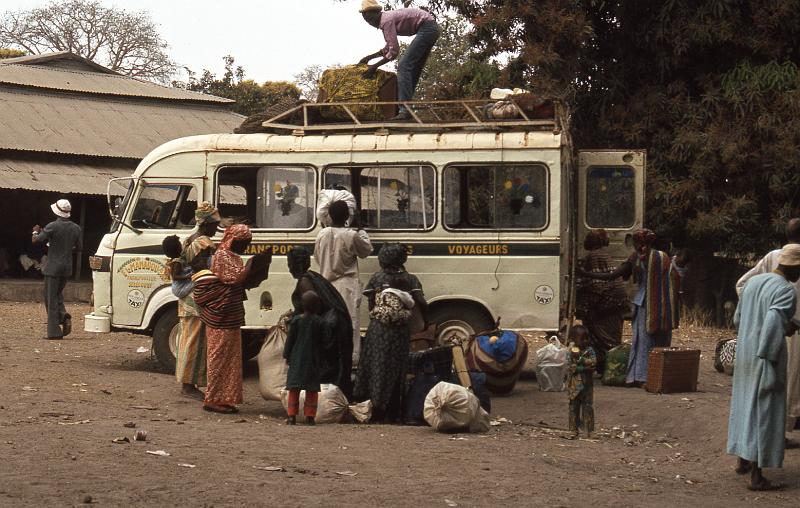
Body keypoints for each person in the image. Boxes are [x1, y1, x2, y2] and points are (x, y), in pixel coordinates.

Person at [727, 243, 800, 491]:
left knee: (745, 405)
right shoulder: (787, 291)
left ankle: (742, 459)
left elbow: (738, 319)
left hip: (746, 354)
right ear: (794, 267)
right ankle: (757, 477)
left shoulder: (753, 283)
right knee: (764, 412)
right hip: (765, 357)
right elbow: (772, 325)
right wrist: (785, 331)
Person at [579, 229, 688, 386]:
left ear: (639, 242)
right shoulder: (661, 257)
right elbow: (674, 278)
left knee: (642, 341)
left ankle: (639, 376)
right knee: (657, 341)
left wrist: (585, 274)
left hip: (642, 303)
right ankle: (655, 375)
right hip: (661, 306)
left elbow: (614, 275)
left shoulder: (636, 258)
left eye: (636, 242)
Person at [193, 224, 271, 413]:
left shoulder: (232, 256)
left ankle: (224, 397)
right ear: (233, 240)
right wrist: (252, 265)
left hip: (230, 315)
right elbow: (233, 279)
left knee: (230, 359)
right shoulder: (223, 256)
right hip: (221, 316)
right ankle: (213, 399)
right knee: (219, 358)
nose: (245, 248)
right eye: (243, 243)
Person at [736, 218, 800, 438]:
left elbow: (742, 286)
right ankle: (764, 448)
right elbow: (773, 318)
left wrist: (752, 319)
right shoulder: (778, 261)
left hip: (760, 337)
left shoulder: (771, 259)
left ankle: (759, 445)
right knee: (773, 389)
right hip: (777, 337)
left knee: (766, 392)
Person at [355, 243, 427, 423]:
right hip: (399, 331)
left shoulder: (377, 278)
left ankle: (375, 410)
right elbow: (421, 302)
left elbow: (371, 304)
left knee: (377, 367)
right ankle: (394, 412)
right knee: (397, 369)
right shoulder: (410, 279)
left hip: (378, 329)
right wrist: (427, 320)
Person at [287, 247, 354, 399]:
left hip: (328, 328)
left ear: (295, 264)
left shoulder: (304, 281)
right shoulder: (314, 277)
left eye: (289, 263)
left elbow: (313, 308)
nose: (288, 267)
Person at [358, 0, 440, 120]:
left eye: (370, 18)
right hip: (430, 29)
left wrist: (374, 67)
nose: (369, 22)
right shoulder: (385, 21)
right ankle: (407, 110)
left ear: (376, 13)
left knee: (403, 66)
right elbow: (389, 47)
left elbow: (394, 51)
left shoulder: (386, 20)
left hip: (427, 28)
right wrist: (370, 57)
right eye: (366, 20)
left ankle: (404, 110)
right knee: (412, 70)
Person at [314, 200, 372, 366]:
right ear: (348, 216)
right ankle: (350, 362)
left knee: (329, 324)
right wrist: (361, 229)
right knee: (350, 325)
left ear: (329, 216)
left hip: (325, 284)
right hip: (347, 286)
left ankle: (330, 361)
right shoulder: (351, 235)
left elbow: (318, 257)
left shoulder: (322, 234)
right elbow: (366, 251)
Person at [173, 202, 220, 400]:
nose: (216, 227)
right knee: (194, 342)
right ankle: (188, 385)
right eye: (214, 223)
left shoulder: (188, 239)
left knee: (187, 340)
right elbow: (202, 269)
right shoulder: (203, 243)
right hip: (196, 297)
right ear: (206, 223)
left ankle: (187, 382)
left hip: (187, 298)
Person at [575, 229, 628, 374]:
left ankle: (607, 366)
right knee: (613, 336)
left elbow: (596, 285)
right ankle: (610, 366)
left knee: (599, 333)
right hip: (617, 302)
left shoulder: (593, 256)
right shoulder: (605, 254)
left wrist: (584, 308)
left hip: (606, 303)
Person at [32, 199, 82, 340]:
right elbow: (79, 248)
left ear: (56, 211)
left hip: (53, 268)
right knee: (57, 295)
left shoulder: (52, 226)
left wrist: (35, 232)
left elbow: (37, 240)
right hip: (66, 268)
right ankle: (63, 316)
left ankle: (54, 331)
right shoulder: (76, 228)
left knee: (50, 298)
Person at [284, 290, 327, 425]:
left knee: (294, 388)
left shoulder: (296, 321)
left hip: (297, 358)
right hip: (313, 360)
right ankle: (310, 417)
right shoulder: (320, 322)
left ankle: (291, 416)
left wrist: (286, 355)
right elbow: (323, 342)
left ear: (302, 305)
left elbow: (290, 340)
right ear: (317, 306)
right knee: (312, 389)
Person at [567, 325, 597, 439]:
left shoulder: (590, 350)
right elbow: (570, 367)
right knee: (573, 408)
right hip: (574, 386)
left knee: (588, 407)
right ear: (573, 339)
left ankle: (589, 430)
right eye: (582, 338)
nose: (585, 341)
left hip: (587, 386)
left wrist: (580, 359)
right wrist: (584, 367)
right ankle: (573, 430)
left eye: (587, 338)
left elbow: (593, 363)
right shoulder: (570, 351)